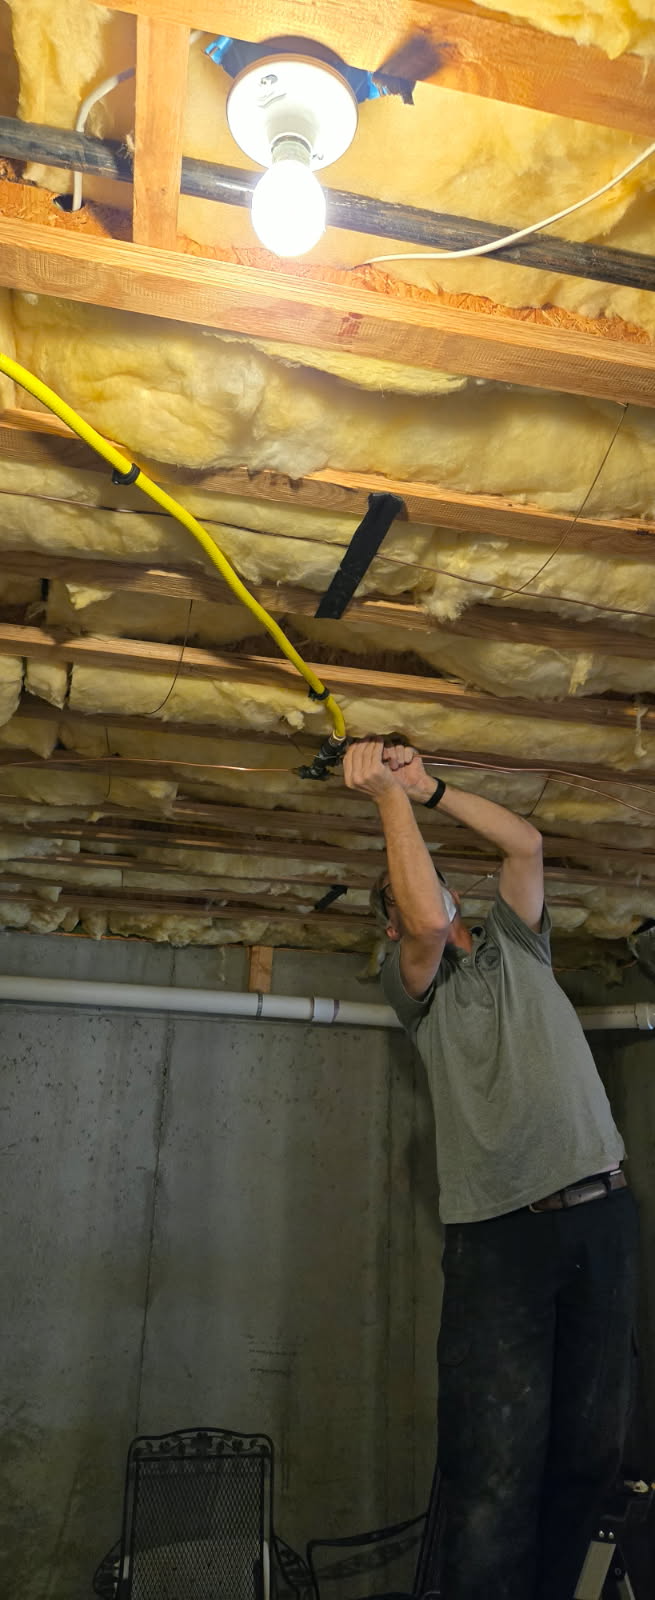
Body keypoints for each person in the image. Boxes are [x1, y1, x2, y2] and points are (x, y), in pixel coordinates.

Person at [343, 736, 639, 1600]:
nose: (432, 899)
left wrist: (425, 786)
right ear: (393, 923)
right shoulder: (418, 988)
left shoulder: (520, 944)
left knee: (590, 1452)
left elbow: (525, 845)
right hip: (497, 1241)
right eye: (409, 898)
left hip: (601, 1214)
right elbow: (427, 921)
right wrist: (386, 801)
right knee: (494, 1465)